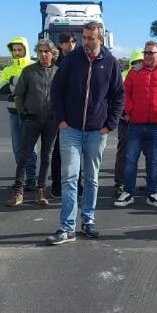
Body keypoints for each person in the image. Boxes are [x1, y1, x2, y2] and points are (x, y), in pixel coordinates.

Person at [49, 21, 124, 245]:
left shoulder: (110, 63)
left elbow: (118, 96)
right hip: (70, 129)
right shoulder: (72, 59)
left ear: (100, 38)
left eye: (91, 38)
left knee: (91, 179)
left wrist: (109, 124)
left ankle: (88, 221)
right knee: (70, 177)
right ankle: (66, 227)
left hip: (96, 131)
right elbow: (57, 90)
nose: (86, 42)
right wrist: (61, 119)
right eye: (84, 37)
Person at [114, 41, 157, 208]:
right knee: (131, 159)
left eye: (152, 53)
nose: (148, 56)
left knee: (154, 161)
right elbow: (125, 93)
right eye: (146, 53)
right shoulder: (134, 72)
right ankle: (128, 192)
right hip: (136, 124)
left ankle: (152, 193)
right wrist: (130, 111)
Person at [7, 39, 59, 207]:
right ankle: (18, 192)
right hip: (31, 119)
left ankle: (41, 191)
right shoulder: (29, 71)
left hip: (51, 121)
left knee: (46, 157)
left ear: (53, 54)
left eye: (47, 52)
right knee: (24, 156)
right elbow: (18, 95)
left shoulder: (59, 72)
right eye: (40, 52)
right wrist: (24, 114)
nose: (43, 55)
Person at [0, 36, 37, 192]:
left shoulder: (34, 66)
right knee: (17, 147)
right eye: (14, 50)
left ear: (25, 50)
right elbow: (2, 89)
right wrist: (21, 84)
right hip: (14, 113)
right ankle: (20, 178)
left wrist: (13, 82)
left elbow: (36, 88)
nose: (16, 52)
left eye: (19, 49)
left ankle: (31, 179)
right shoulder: (7, 70)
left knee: (31, 147)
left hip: (31, 114)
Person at [113, 49, 144, 196]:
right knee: (124, 153)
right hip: (126, 120)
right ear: (132, 62)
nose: (139, 64)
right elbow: (118, 98)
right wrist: (124, 114)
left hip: (143, 120)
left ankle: (155, 183)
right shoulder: (123, 76)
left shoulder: (148, 75)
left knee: (151, 154)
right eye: (137, 62)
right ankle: (120, 183)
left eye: (141, 62)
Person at [50, 32, 77, 197]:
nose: (70, 44)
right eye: (67, 41)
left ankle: (77, 184)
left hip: (76, 112)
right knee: (58, 152)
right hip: (59, 113)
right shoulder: (56, 63)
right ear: (60, 44)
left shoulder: (80, 60)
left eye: (73, 40)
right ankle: (56, 185)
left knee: (77, 152)